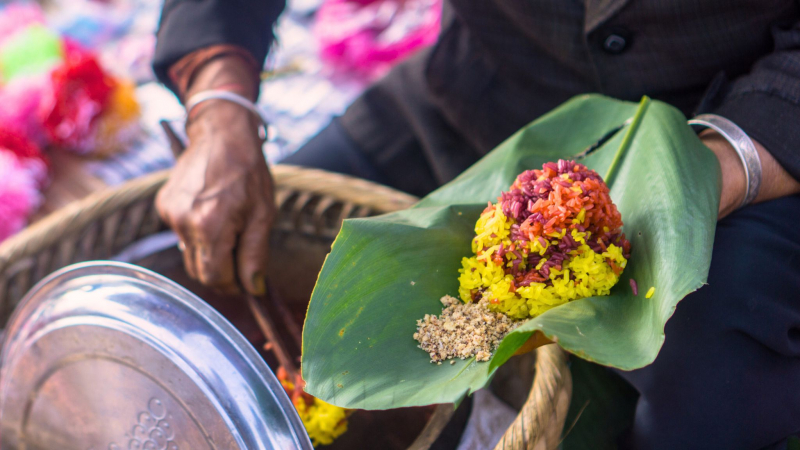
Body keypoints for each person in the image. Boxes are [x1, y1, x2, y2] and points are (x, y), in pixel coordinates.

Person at [152, 1, 800, 448]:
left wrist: (696, 177)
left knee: (713, 375)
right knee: (246, 242)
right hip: (486, 92)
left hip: (739, 134)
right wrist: (219, 106)